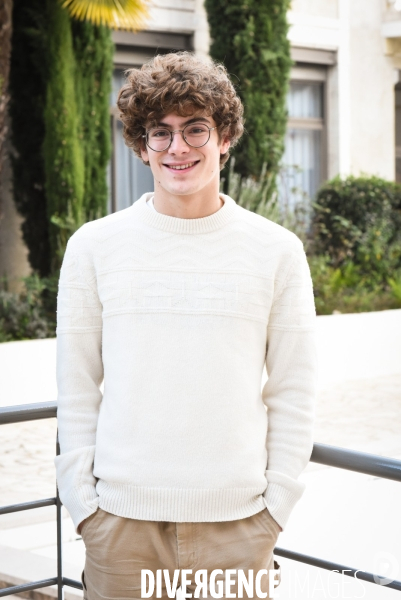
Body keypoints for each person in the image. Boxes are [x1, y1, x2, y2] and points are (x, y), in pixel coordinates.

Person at [55, 51, 318, 600]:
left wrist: (275, 511)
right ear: (140, 145)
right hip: (121, 528)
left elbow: (294, 389)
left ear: (224, 137)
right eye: (160, 133)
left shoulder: (277, 251)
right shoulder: (94, 247)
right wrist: (85, 511)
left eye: (195, 129)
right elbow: (77, 387)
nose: (178, 148)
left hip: (239, 529)